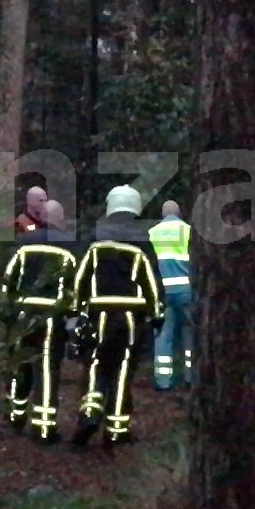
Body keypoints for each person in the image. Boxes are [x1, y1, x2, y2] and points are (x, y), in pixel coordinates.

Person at [71, 185, 162, 445]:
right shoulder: (143, 239)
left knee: (96, 363)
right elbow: (151, 282)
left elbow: (81, 277)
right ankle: (117, 429)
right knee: (123, 369)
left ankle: (90, 410)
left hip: (99, 314)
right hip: (132, 317)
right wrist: (156, 314)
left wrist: (76, 311)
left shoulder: (96, 237)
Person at [1, 198, 80, 439]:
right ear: (59, 219)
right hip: (51, 318)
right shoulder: (68, 248)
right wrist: (73, 317)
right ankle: (44, 427)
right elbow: (73, 287)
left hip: (24, 316)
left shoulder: (24, 243)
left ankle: (15, 415)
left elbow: (8, 279)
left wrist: (8, 309)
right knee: (47, 369)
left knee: (20, 364)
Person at [149, 199, 194, 391]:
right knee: (190, 333)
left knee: (163, 336)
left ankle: (163, 380)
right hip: (187, 291)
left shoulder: (152, 233)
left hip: (163, 292)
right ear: (179, 213)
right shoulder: (189, 231)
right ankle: (191, 377)